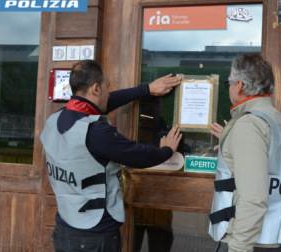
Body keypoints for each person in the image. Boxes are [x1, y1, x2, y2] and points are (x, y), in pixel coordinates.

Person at [40, 60, 182, 252]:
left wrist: (146, 89)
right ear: (96, 88)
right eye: (107, 86)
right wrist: (166, 150)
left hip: (65, 230)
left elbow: (102, 103)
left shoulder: (55, 119)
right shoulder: (96, 132)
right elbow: (139, 156)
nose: (109, 91)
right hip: (94, 236)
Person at [208, 53, 281, 252]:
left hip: (247, 243)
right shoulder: (277, 120)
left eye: (228, 83)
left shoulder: (249, 125)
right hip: (272, 239)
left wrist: (238, 248)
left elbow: (253, 198)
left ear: (239, 85)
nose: (229, 88)